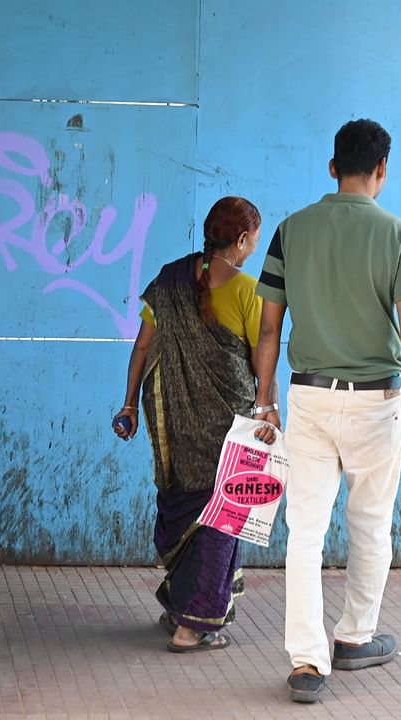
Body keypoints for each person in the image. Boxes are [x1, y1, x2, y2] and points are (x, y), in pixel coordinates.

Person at [252, 119, 401, 702]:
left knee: (304, 531)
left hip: (307, 396)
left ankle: (307, 664)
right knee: (370, 524)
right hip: (378, 402)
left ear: (332, 167)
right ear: (382, 171)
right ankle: (355, 637)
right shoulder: (399, 236)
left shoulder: (290, 230)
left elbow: (268, 326)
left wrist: (265, 399)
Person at [113, 196, 277, 653]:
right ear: (242, 241)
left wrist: (128, 405)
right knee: (221, 518)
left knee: (188, 510)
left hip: (179, 431)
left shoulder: (168, 280)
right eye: (253, 243)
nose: (252, 251)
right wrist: (267, 406)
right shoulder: (247, 290)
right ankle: (193, 626)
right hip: (231, 430)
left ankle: (180, 606)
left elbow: (143, 349)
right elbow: (261, 356)